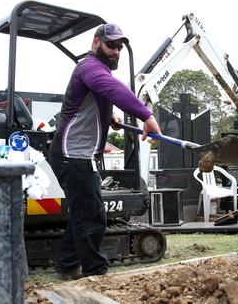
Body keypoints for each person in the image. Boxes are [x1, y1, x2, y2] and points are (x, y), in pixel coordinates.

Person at [49, 23, 162, 280]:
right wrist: (146, 115)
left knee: (82, 212)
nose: (116, 52)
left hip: (77, 155)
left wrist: (109, 115)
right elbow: (113, 89)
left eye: (120, 47)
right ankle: (96, 273)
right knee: (93, 216)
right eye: (112, 45)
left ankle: (67, 266)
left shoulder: (97, 70)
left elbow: (97, 98)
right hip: (73, 155)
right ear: (96, 43)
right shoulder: (89, 67)